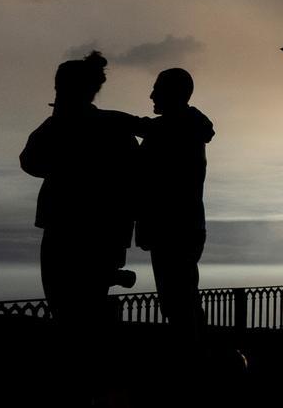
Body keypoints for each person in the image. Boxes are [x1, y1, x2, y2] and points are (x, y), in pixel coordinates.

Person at [20, 52, 139, 326]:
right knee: (85, 313)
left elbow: (30, 161)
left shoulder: (60, 126)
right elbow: (132, 186)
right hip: (102, 234)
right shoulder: (116, 126)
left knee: (68, 313)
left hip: (67, 231)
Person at [135, 68, 215, 329]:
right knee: (182, 301)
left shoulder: (173, 129)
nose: (151, 95)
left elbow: (138, 125)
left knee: (180, 304)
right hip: (184, 227)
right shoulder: (187, 127)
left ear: (173, 94)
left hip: (174, 229)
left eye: (157, 89)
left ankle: (193, 360)